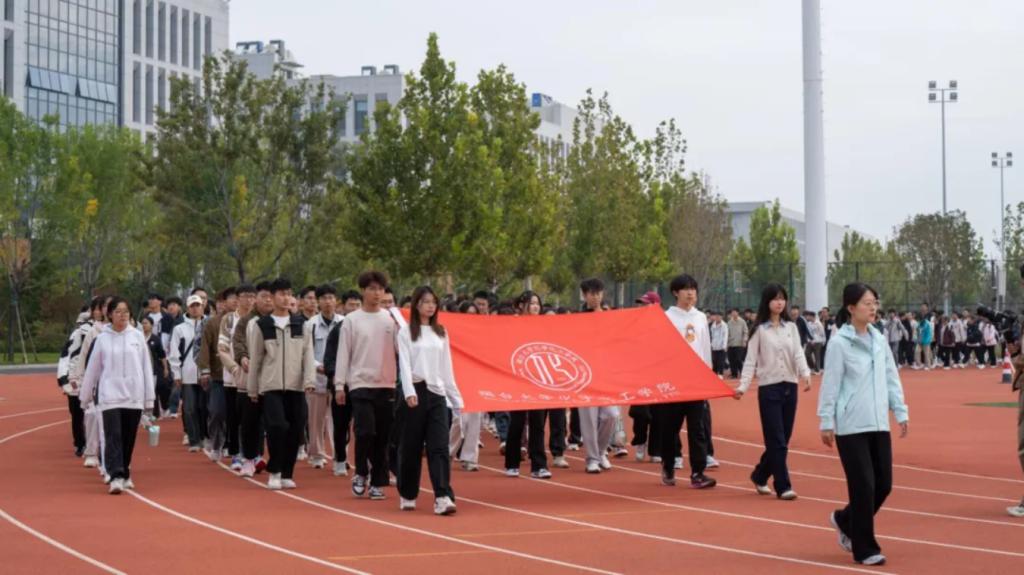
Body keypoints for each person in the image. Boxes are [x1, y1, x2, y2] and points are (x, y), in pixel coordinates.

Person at [818, 283, 909, 567]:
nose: (873, 308)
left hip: (879, 422)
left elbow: (891, 377)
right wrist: (826, 420)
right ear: (851, 308)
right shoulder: (839, 343)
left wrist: (900, 410)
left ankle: (845, 520)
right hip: (851, 425)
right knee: (863, 487)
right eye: (867, 303)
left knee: (883, 484)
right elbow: (830, 384)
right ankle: (865, 548)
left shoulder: (879, 339)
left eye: (874, 302)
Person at [734, 284, 811, 500]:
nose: (779, 302)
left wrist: (805, 373)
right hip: (769, 388)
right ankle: (783, 485)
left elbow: (798, 353)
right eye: (775, 299)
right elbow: (750, 361)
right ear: (767, 302)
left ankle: (760, 475)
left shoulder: (791, 328)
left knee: (783, 439)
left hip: (790, 386)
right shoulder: (759, 330)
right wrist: (742, 386)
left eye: (782, 298)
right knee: (777, 439)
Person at [79, 297, 156, 494]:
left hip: (133, 395)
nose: (123, 316)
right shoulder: (102, 339)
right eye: (118, 312)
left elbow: (146, 367)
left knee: (128, 437)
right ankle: (115, 476)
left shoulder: (137, 337)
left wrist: (149, 397)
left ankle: (125, 472)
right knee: (113, 435)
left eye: (126, 312)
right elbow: (93, 369)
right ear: (110, 315)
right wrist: (85, 396)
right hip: (109, 395)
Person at [397, 286, 462, 515]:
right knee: (411, 446)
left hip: (437, 394)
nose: (430, 306)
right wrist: (408, 392)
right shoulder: (406, 332)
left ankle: (442, 496)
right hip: (415, 392)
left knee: (439, 446)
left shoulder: (441, 332)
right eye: (426, 301)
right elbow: (404, 365)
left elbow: (446, 367)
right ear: (416, 305)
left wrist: (456, 398)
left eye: (433, 302)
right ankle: (408, 493)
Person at [334, 271, 398, 500]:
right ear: (363, 291)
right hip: (360, 383)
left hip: (386, 384)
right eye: (372, 288)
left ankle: (377, 482)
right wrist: (339, 385)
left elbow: (402, 350)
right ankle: (361, 472)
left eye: (380, 289)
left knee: (382, 436)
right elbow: (344, 353)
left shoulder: (391, 320)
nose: (376, 293)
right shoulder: (352, 320)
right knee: (365, 431)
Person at [247, 278, 316, 490]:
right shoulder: (262, 325)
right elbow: (256, 358)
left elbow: (308, 354)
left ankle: (287, 473)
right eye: (282, 294)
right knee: (277, 427)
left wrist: (309, 380)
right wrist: (252, 388)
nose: (286, 298)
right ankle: (275, 471)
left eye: (289, 293)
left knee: (295, 429)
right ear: (272, 297)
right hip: (271, 386)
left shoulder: (301, 324)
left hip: (296, 386)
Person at [656, 274, 716, 489]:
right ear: (675, 292)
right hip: (674, 382)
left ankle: (698, 472)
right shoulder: (666, 317)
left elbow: (705, 347)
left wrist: (708, 375)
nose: (690, 293)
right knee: (670, 429)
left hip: (696, 382)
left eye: (693, 289)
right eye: (686, 289)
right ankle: (668, 464)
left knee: (697, 428)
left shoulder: (700, 317)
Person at [503, 291, 553, 479]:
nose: (535, 307)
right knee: (517, 422)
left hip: (538, 380)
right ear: (521, 305)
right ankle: (512, 463)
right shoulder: (512, 325)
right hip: (518, 379)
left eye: (537, 304)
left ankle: (539, 465)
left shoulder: (544, 327)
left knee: (538, 423)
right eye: (532, 303)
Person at [577, 278, 620, 474]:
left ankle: (601, 452)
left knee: (611, 415)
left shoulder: (610, 318)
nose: (595, 297)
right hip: (584, 377)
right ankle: (592, 459)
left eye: (598, 293)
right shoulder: (577, 320)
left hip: (606, 375)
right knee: (588, 420)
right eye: (591, 293)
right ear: (584, 295)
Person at [233, 281, 274, 477]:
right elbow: (238, 342)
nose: (268, 300)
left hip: (274, 379)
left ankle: (274, 460)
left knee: (274, 422)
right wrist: (243, 358)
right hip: (251, 378)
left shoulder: (282, 320)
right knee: (250, 421)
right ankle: (249, 459)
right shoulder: (246, 321)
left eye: (271, 296)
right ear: (256, 299)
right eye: (263, 296)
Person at [56, 299, 102, 459]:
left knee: (97, 414)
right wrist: (64, 379)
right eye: (96, 309)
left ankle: (95, 445)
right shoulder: (79, 333)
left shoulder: (111, 331)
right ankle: (81, 444)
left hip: (100, 380)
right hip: (77, 379)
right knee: (77, 413)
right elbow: (66, 356)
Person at [217, 283, 256, 471]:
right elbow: (222, 349)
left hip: (255, 378)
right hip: (233, 378)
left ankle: (254, 454)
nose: (249, 300)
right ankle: (235, 453)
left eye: (252, 296)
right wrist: (234, 368)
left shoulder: (258, 319)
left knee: (254, 418)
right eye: (245, 296)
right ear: (238, 299)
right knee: (234, 417)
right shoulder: (229, 320)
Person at [306, 284, 342, 470]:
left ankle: (340, 454)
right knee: (316, 419)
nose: (328, 302)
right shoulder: (310, 324)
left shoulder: (344, 323)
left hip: (338, 378)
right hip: (318, 378)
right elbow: (306, 351)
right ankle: (317, 454)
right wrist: (316, 366)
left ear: (336, 301)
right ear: (318, 302)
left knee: (340, 419)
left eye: (331, 298)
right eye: (324, 298)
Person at [198, 287, 237, 462]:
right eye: (231, 298)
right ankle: (216, 444)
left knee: (236, 415)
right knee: (217, 412)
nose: (235, 301)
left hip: (240, 377)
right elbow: (204, 347)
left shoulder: (246, 321)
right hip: (219, 376)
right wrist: (205, 370)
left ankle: (233, 445)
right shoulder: (212, 323)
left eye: (237, 298)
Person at [170, 295, 208, 453]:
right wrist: (177, 374)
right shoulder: (179, 329)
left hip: (207, 374)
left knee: (205, 408)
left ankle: (205, 437)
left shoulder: (209, 325)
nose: (195, 308)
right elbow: (174, 353)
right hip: (188, 374)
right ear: (187, 308)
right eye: (192, 306)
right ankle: (194, 440)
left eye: (198, 305)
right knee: (190, 408)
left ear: (203, 307)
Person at [629, 291, 663, 462]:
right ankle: (640, 441)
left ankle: (655, 450)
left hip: (659, 375)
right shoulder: (635, 324)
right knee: (640, 412)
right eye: (640, 303)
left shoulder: (665, 325)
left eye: (645, 303)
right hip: (640, 374)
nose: (641, 306)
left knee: (658, 414)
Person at [140, 316, 171, 420]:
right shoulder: (138, 337)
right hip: (140, 370)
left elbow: (162, 355)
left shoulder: (155, 339)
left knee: (153, 390)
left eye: (146, 323)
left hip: (153, 369)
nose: (144, 325)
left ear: (151, 325)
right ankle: (144, 413)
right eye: (143, 323)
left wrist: (165, 368)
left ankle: (155, 413)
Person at [726, 308, 749, 379]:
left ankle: (743, 373)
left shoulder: (742, 322)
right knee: (731, 360)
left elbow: (745, 332)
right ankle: (734, 374)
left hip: (739, 344)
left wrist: (744, 340)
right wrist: (726, 344)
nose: (733, 314)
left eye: (735, 312)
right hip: (731, 344)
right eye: (732, 312)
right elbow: (727, 333)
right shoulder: (729, 322)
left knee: (738, 359)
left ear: (738, 313)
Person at [710, 311, 729, 377]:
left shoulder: (724, 325)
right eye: (716, 316)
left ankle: (720, 374)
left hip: (721, 347)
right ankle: (714, 374)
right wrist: (711, 344)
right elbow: (712, 335)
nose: (717, 318)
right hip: (714, 346)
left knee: (721, 361)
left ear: (721, 317)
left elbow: (725, 336)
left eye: (719, 316)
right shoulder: (713, 325)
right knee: (714, 361)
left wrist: (724, 345)